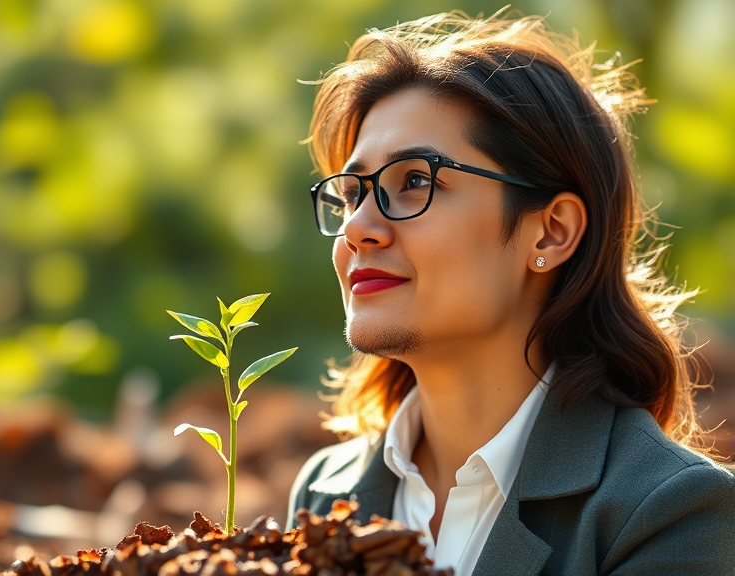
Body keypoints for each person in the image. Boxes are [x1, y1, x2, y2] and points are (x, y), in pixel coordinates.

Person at [286, 10, 735, 576]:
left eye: (416, 181)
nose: (357, 227)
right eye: (352, 194)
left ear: (552, 230)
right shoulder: (324, 493)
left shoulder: (670, 512)